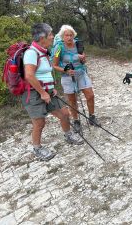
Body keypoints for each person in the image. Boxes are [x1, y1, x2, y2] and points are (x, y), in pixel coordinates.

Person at [22, 23, 83, 161]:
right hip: (33, 92)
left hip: (48, 90)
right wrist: (43, 93)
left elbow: (47, 72)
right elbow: (29, 75)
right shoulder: (31, 53)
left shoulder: (44, 51)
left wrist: (51, 87)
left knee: (64, 113)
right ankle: (37, 148)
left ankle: (68, 135)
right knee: (39, 122)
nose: (52, 37)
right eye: (50, 34)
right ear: (42, 37)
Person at [52, 25, 99, 133]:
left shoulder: (78, 44)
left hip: (81, 73)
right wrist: (66, 70)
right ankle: (76, 121)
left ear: (74, 35)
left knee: (90, 95)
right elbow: (54, 65)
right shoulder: (59, 48)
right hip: (67, 76)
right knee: (72, 100)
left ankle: (92, 117)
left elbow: (83, 61)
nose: (69, 37)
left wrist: (83, 59)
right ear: (62, 36)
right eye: (66, 35)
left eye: (71, 35)